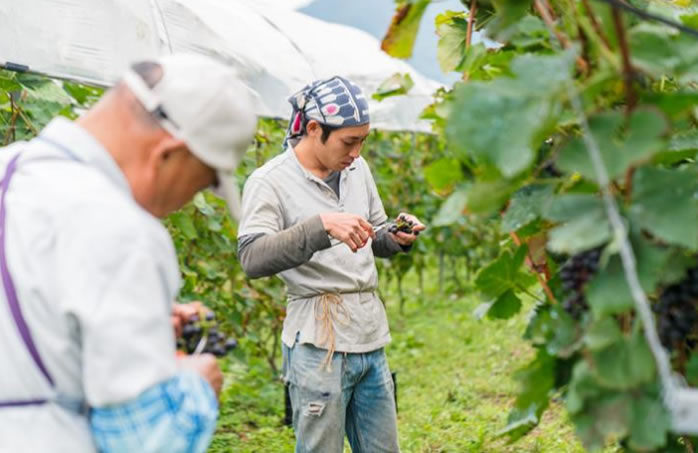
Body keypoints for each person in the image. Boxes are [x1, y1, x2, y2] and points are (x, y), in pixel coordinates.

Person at [0, 54, 257, 453]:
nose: (188, 200)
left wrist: (135, 322)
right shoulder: (123, 230)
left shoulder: (10, 170)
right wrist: (196, 384)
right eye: (202, 182)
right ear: (170, 152)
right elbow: (144, 440)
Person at [238, 76, 425, 453]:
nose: (356, 152)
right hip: (316, 344)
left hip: (369, 337)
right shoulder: (270, 182)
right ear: (313, 129)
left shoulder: (358, 170)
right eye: (349, 141)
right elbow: (252, 258)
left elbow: (373, 236)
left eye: (363, 141)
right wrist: (321, 226)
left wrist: (395, 236)